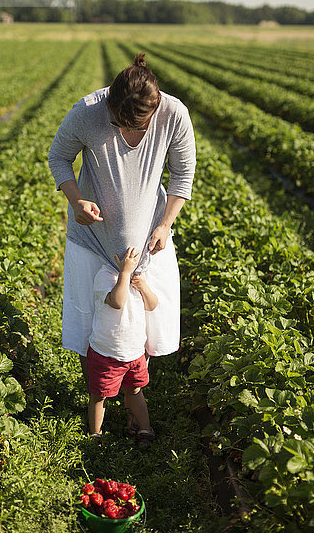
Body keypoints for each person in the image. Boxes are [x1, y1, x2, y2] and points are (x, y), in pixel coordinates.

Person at [48, 52, 196, 402]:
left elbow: (183, 173)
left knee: (142, 321)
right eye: (119, 123)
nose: (128, 129)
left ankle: (133, 398)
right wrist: (76, 200)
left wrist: (164, 225)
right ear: (109, 103)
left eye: (138, 125)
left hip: (148, 241)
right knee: (91, 323)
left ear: (154, 108)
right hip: (92, 239)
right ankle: (98, 395)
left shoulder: (174, 115)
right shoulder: (87, 112)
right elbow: (59, 156)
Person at [87, 247, 157, 449]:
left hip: (134, 352)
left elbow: (152, 305)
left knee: (135, 390)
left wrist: (143, 286)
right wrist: (124, 273)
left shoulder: (139, 277)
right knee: (99, 395)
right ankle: (96, 434)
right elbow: (117, 302)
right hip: (107, 353)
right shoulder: (104, 276)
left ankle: (145, 427)